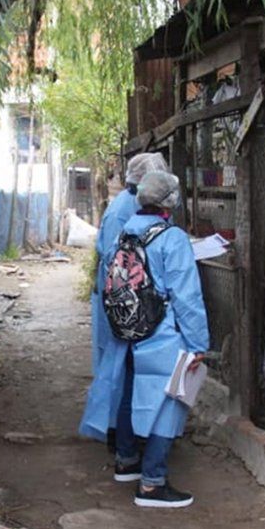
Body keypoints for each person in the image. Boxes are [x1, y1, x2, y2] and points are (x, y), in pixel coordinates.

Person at [80, 169, 210, 508]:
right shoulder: (173, 238)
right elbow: (187, 296)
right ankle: (152, 484)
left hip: (128, 330)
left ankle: (126, 461)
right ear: (170, 202)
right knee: (169, 400)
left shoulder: (125, 231)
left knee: (129, 391)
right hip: (162, 332)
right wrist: (198, 344)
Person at [87, 153, 169, 443]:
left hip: (120, 295)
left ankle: (121, 430)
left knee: (119, 362)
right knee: (116, 363)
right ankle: (116, 431)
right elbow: (116, 259)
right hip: (118, 297)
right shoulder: (124, 210)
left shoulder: (129, 206)